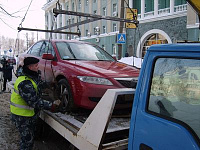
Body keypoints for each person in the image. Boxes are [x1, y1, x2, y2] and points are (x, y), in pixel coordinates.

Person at [10, 57, 60, 150]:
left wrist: (48, 84)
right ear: (30, 67)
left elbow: (37, 85)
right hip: (22, 117)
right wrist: (51, 105)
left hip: (27, 115)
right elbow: (33, 102)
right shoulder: (24, 82)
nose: (38, 67)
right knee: (26, 143)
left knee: (29, 139)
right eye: (36, 65)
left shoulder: (31, 76)